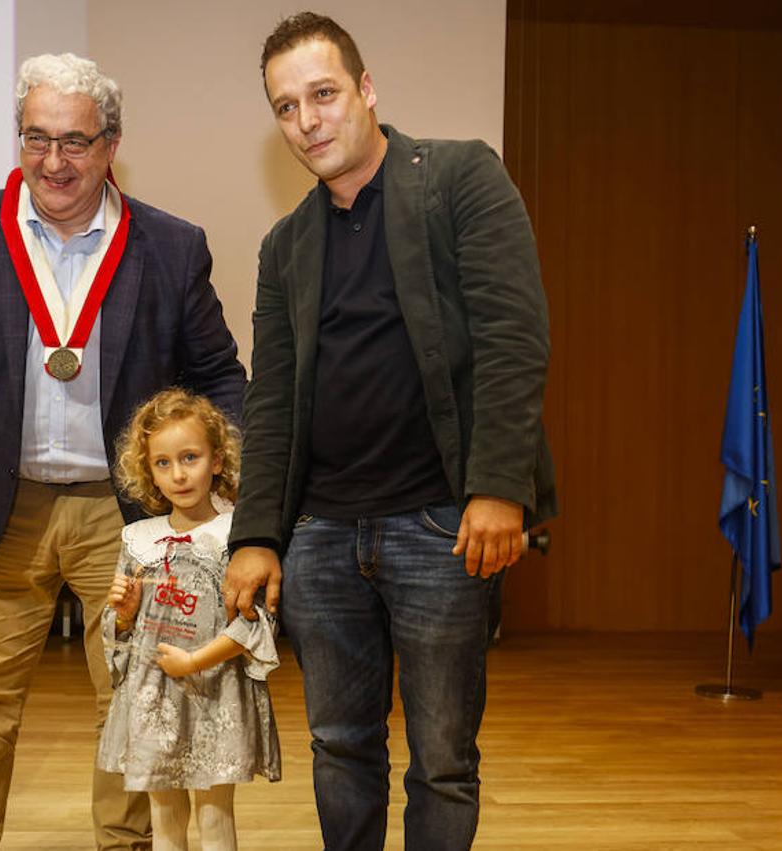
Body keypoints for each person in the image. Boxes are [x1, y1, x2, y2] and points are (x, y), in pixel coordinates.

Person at [0, 53, 246, 851]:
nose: (54, 162)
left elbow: (221, 372)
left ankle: (124, 845)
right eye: (37, 139)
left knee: (129, 696)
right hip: (0, 500)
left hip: (122, 517)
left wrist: (222, 481)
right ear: (19, 138)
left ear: (111, 144)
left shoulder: (170, 244)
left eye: (75, 142)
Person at [224, 13, 558, 850]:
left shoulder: (458, 178)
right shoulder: (285, 244)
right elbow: (271, 402)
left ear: (367, 91)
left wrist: (498, 487)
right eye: (287, 106)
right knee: (340, 746)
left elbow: (516, 339)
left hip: (442, 526)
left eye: (325, 94)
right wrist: (259, 534)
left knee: (442, 757)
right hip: (322, 537)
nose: (308, 120)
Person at [98, 389, 279, 851]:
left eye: (190, 457)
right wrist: (122, 614)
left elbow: (254, 624)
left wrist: (196, 660)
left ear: (217, 461)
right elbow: (119, 634)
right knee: (165, 816)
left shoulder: (237, 533)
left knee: (215, 815)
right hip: (154, 698)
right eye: (163, 463)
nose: (178, 474)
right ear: (148, 471)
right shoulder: (138, 538)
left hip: (216, 693)